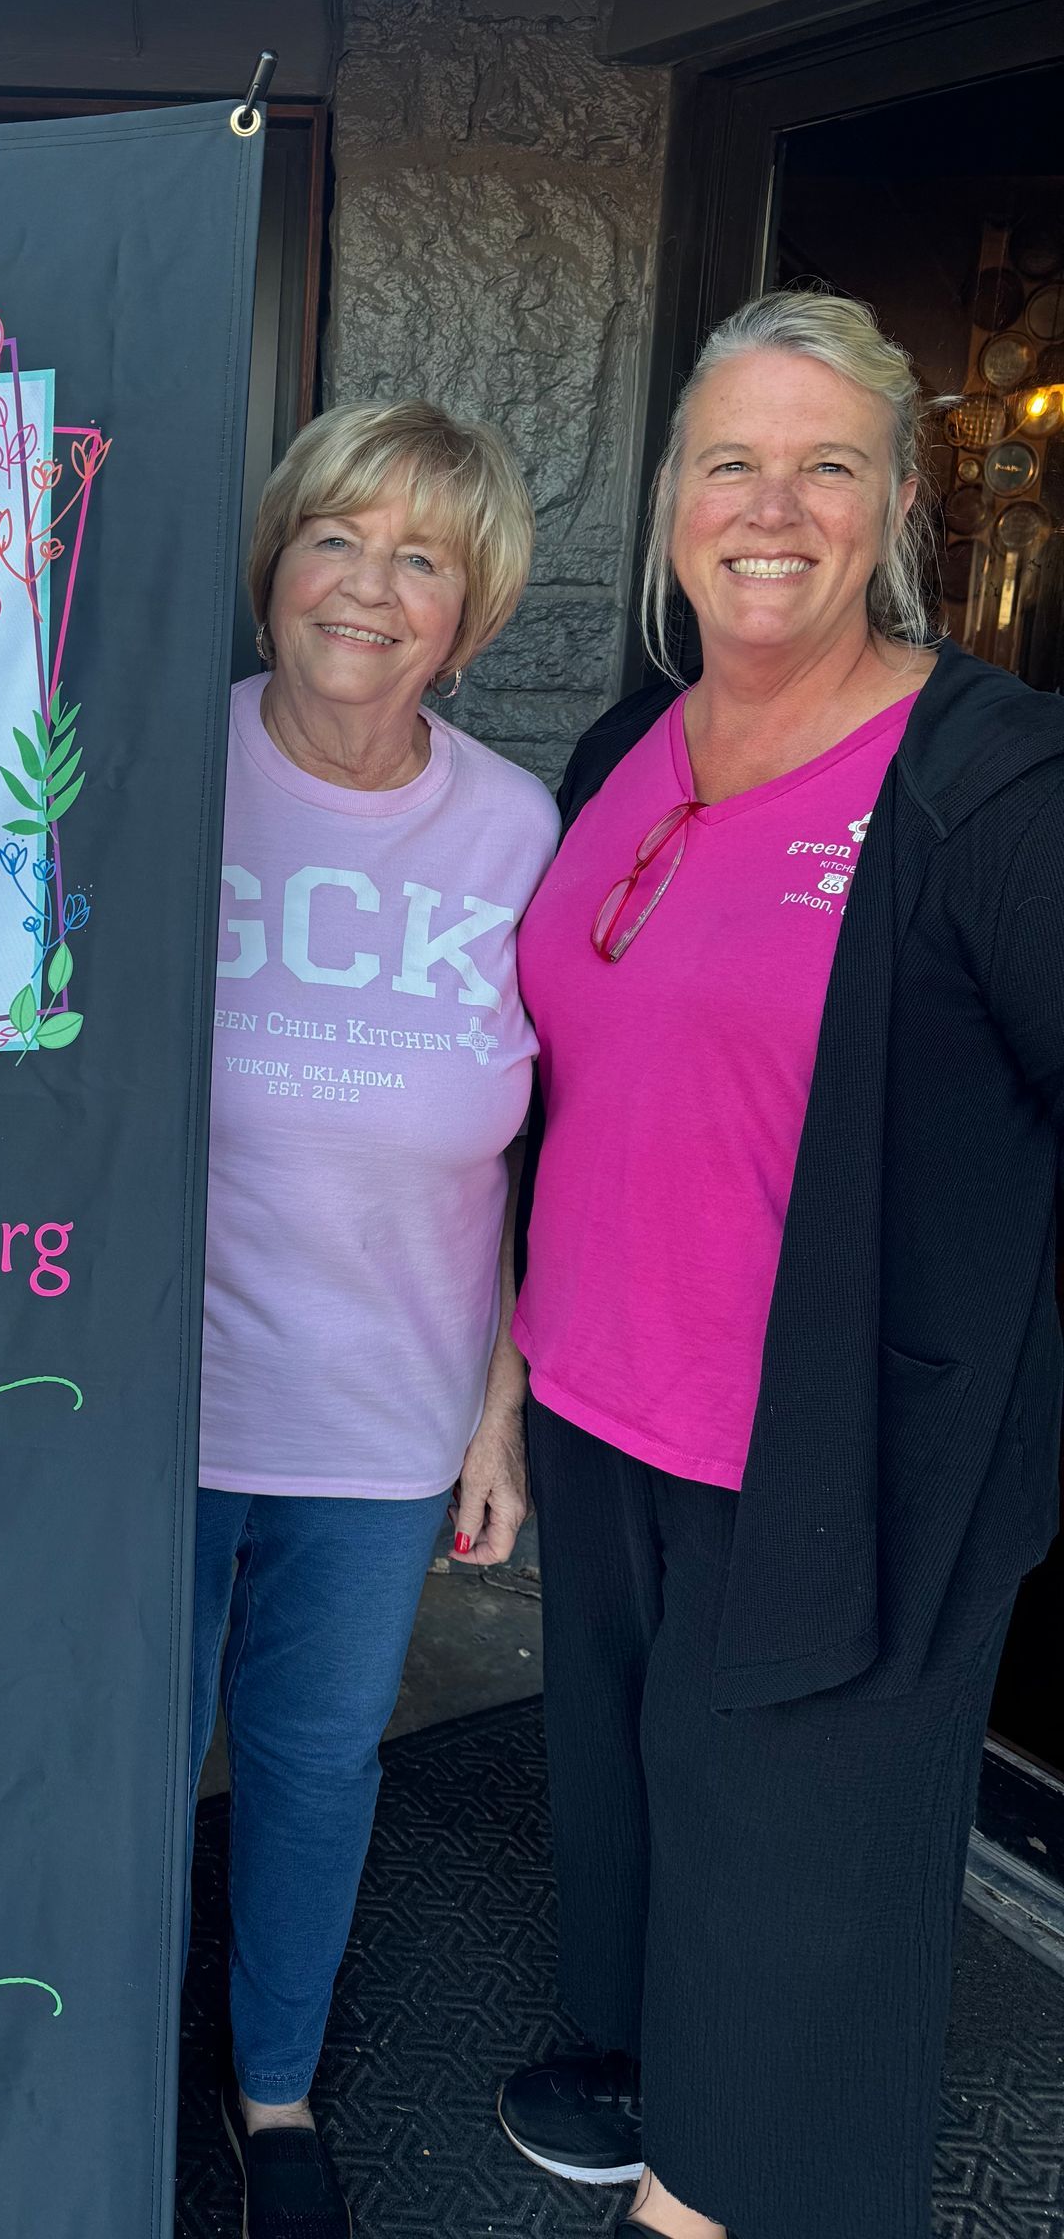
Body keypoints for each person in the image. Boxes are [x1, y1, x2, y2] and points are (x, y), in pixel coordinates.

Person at [496, 289, 1064, 2239]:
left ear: (900, 497)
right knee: (650, 1833)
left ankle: (726, 2193)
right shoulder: (629, 743)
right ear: (671, 496)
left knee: (800, 1910)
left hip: (837, 1466)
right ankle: (656, 2087)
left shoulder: (984, 782)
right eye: (731, 458)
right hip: (601, 1412)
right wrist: (508, 1377)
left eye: (828, 462)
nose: (773, 503)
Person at [195, 398, 557, 2239]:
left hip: (380, 1414)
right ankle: (77, 2060)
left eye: (425, 557)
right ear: (276, 561)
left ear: (471, 617)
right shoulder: (145, 772)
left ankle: (274, 2095)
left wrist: (493, 1406)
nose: (369, 586)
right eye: (339, 535)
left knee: (318, 1768)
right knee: (117, 1755)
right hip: (141, 1412)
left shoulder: (514, 827)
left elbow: (529, 1144)